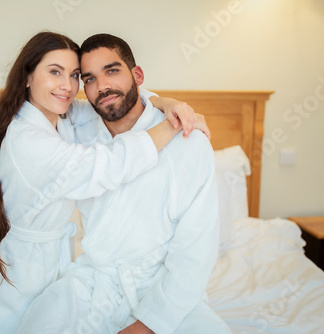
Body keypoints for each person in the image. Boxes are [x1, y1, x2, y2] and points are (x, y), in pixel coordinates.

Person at [0, 32, 208, 333]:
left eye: (74, 75)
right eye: (56, 72)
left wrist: (167, 103)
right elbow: (109, 165)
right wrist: (173, 125)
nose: (68, 86)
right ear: (27, 77)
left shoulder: (64, 117)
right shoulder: (34, 137)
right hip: (20, 264)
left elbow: (121, 103)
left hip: (59, 258)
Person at [14, 34, 231, 334]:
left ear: (137, 75)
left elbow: (196, 251)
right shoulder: (74, 125)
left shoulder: (189, 143)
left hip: (164, 287)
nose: (101, 86)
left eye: (112, 71)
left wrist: (149, 324)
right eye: (88, 78)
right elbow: (18, 153)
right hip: (93, 280)